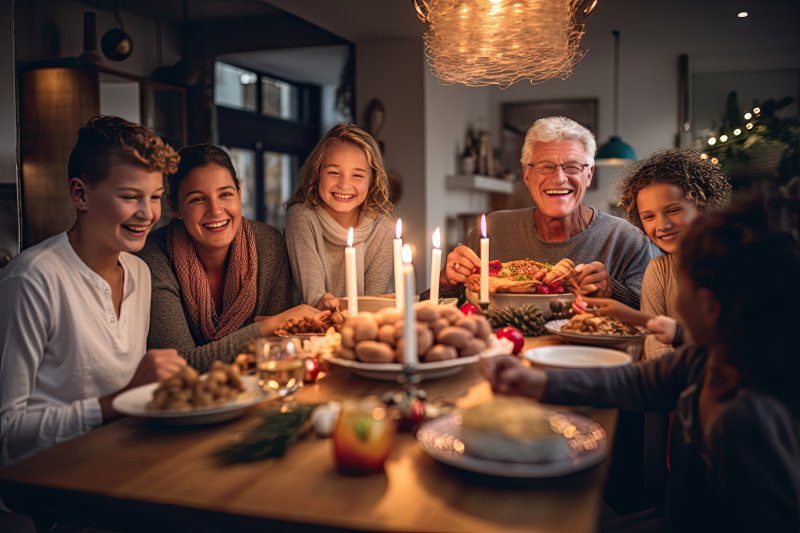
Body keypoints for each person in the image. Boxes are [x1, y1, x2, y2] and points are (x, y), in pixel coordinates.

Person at [482, 201, 800, 531]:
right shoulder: (706, 358)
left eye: (683, 282)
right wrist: (539, 384)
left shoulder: (747, 419)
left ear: (708, 307)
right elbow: (636, 383)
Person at [0, 116, 187, 467]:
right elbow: (6, 431)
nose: (147, 214)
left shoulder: (140, 273)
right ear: (80, 194)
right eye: (130, 197)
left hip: (121, 465)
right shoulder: (32, 280)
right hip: (46, 492)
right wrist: (119, 401)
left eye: (156, 197)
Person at [138, 144, 320, 372]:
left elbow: (277, 349)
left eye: (225, 194)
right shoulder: (154, 256)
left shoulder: (268, 244)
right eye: (197, 199)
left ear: (240, 192)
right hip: (187, 402)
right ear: (174, 206)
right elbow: (179, 367)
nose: (215, 210)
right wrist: (272, 325)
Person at [441, 116, 653, 309]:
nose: (559, 178)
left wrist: (613, 292)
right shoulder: (492, 230)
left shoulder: (627, 239)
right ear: (527, 175)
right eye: (545, 166)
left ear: (589, 175)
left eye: (572, 166)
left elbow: (654, 315)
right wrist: (447, 283)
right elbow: (441, 307)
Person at [579, 149, 731, 359]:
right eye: (649, 216)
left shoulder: (731, 264)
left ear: (702, 204)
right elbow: (654, 342)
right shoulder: (658, 269)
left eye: (673, 210)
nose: (663, 225)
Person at [285, 123, 394, 311]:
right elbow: (315, 301)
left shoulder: (383, 227)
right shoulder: (302, 218)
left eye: (357, 176)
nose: (344, 185)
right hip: (312, 332)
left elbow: (375, 306)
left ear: (372, 181)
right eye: (334, 172)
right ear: (316, 174)